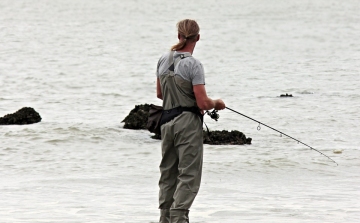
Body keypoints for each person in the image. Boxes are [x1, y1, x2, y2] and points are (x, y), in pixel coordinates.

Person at [155, 19, 225, 223]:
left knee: (167, 173)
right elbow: (203, 102)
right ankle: (179, 218)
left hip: (166, 122)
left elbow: (160, 94)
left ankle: (165, 218)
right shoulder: (193, 64)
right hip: (187, 124)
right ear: (198, 38)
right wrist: (217, 103)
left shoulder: (162, 59)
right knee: (189, 174)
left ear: (179, 36)